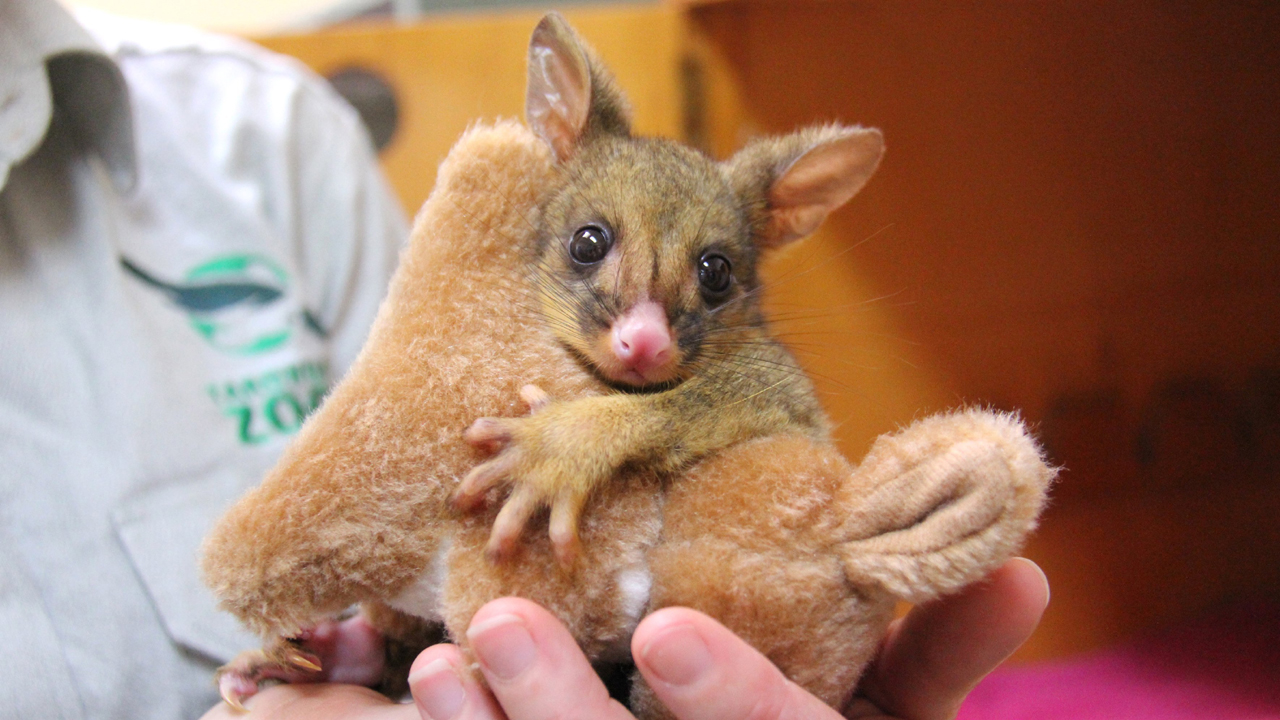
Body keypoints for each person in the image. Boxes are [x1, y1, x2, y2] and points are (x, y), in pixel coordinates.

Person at [0, 1, 1048, 718]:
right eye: (593, 251)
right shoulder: (490, 294)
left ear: (785, 217)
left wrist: (601, 427)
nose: (642, 335)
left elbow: (742, 399)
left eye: (708, 282)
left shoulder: (267, 138)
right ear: (557, 140)